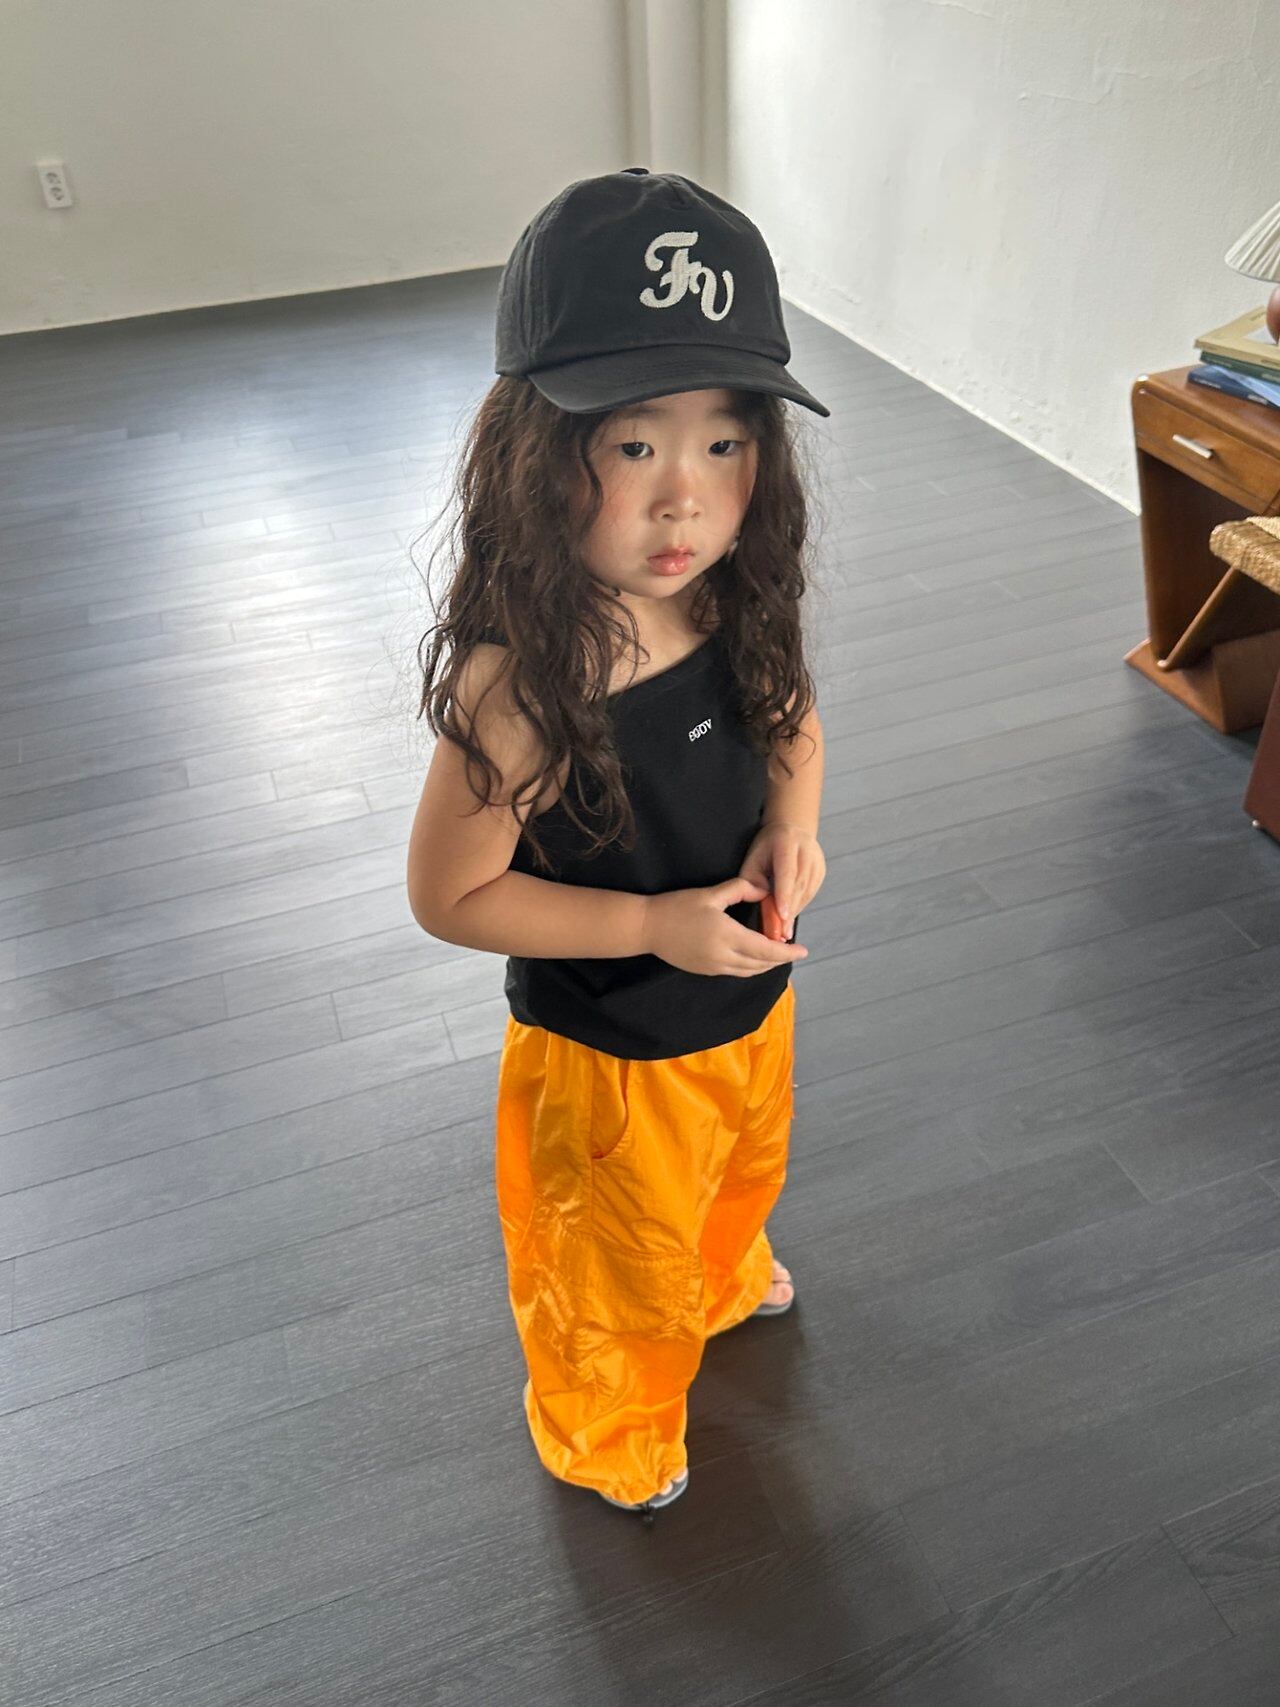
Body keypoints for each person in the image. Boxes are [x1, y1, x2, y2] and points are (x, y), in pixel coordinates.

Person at [406, 167, 829, 1521]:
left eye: (726, 444)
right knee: (609, 1268)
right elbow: (451, 896)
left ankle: (720, 1277)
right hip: (612, 1057)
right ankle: (606, 1430)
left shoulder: (732, 596)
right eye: (636, 447)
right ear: (534, 455)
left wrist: (794, 825)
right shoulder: (528, 683)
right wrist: (650, 927)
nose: (684, 501)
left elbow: (793, 718)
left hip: (747, 997)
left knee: (738, 1171)